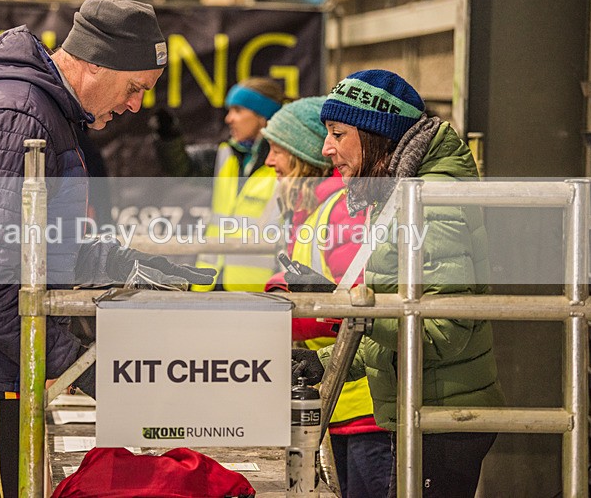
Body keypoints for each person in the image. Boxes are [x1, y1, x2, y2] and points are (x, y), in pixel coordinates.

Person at [0, 0, 215, 498]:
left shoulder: (38, 110)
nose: (135, 106)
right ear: (96, 63)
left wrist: (123, 263)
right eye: (134, 88)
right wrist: (76, 363)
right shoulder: (15, 118)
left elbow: (36, 245)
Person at [290, 69, 505, 498]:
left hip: (438, 422)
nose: (325, 148)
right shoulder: (395, 192)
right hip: (417, 411)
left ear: (375, 135)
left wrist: (348, 308)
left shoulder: (430, 201)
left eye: (337, 133)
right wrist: (333, 360)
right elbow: (403, 320)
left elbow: (442, 331)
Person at [261, 97, 390, 498]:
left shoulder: (343, 210)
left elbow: (361, 306)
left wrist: (285, 305)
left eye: (277, 149)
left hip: (367, 408)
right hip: (344, 401)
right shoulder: (320, 209)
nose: (268, 162)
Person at [192, 77, 285, 291]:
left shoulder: (286, 162)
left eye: (238, 110)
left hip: (256, 290)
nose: (228, 118)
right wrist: (169, 140)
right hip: (210, 281)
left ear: (262, 116)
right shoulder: (227, 153)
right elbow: (182, 167)